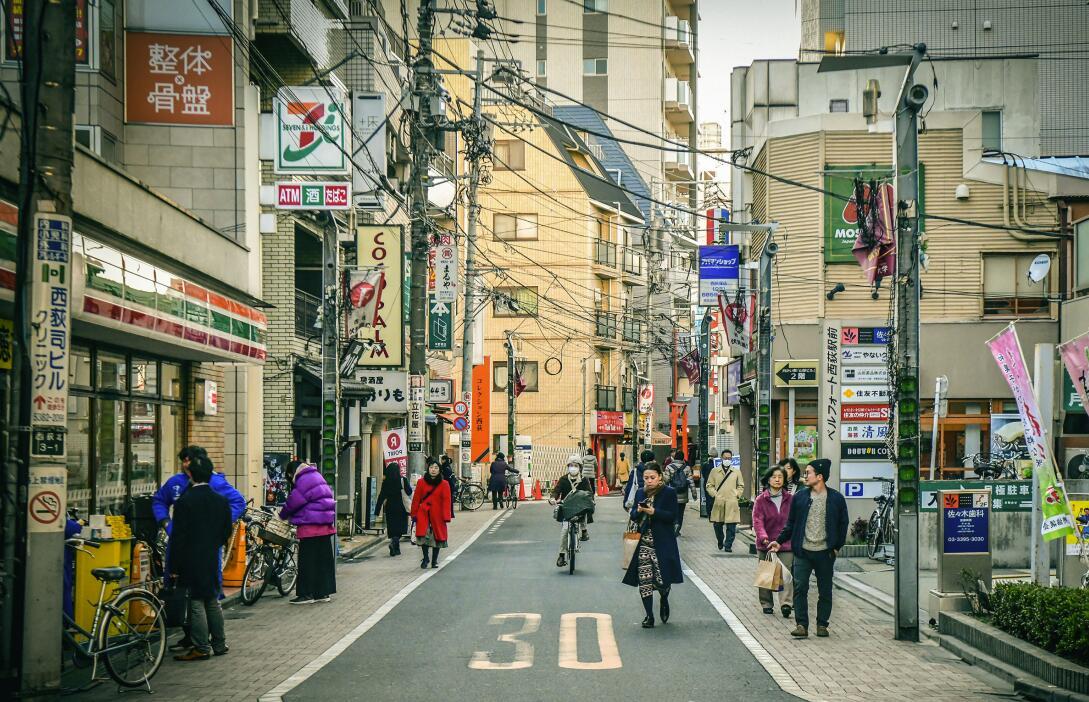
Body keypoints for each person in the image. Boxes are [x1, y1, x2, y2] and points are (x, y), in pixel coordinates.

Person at [154, 445, 244, 653]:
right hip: (194, 546)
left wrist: (212, 530)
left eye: (190, 460)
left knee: (197, 598)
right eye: (184, 460)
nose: (186, 464)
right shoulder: (176, 483)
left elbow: (237, 502)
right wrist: (166, 522)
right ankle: (202, 639)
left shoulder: (215, 485)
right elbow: (159, 500)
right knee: (204, 597)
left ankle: (201, 644)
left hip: (196, 550)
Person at [768, 458, 849, 639]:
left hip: (825, 552)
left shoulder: (836, 498)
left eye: (809, 472)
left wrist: (836, 547)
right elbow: (791, 524)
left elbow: (843, 524)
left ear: (819, 477)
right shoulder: (800, 497)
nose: (805, 476)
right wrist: (779, 541)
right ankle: (801, 625)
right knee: (800, 588)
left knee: (825, 590)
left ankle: (822, 624)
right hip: (803, 551)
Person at [169, 455, 232, 661]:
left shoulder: (185, 502)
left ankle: (201, 647)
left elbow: (179, 537)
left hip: (191, 557)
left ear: (190, 475)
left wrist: (174, 566)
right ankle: (220, 644)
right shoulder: (220, 501)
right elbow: (226, 531)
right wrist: (214, 544)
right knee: (212, 599)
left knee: (196, 602)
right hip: (211, 555)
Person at [623, 463, 683, 628]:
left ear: (660, 477)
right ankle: (649, 616)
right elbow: (634, 515)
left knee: (663, 579)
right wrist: (640, 511)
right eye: (646, 478)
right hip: (643, 542)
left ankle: (664, 596)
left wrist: (654, 512)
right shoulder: (641, 492)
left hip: (662, 541)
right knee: (644, 579)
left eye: (652, 478)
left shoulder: (668, 492)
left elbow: (673, 516)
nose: (649, 481)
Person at [280, 461, 337, 604]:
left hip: (311, 526)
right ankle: (323, 593)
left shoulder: (304, 479)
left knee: (307, 561)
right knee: (322, 561)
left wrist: (282, 515)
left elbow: (294, 501)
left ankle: (306, 594)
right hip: (325, 525)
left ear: (291, 473)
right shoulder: (316, 475)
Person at [753, 466, 794, 617]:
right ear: (768, 480)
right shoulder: (761, 500)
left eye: (780, 477)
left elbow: (793, 521)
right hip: (766, 543)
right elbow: (758, 521)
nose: (777, 479)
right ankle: (767, 604)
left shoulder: (791, 499)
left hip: (786, 543)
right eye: (774, 477)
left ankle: (786, 604)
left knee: (786, 573)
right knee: (766, 574)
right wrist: (764, 539)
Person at [550, 457, 595, 567]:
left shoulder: (584, 480)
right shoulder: (563, 479)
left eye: (576, 465)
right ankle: (561, 556)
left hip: (579, 507)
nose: (573, 468)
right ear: (568, 467)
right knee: (565, 530)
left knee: (586, 508)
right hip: (566, 508)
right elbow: (556, 491)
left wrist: (591, 500)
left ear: (580, 467)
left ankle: (584, 530)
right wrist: (552, 498)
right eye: (571, 465)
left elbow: (589, 493)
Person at [411, 459, 453, 568]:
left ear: (439, 470)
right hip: (424, 514)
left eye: (436, 468)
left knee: (437, 538)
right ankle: (425, 558)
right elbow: (416, 499)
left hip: (438, 515)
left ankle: (434, 561)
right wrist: (414, 514)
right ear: (428, 469)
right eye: (431, 467)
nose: (433, 470)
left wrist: (446, 516)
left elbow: (447, 501)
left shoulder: (444, 484)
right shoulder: (421, 482)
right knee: (424, 537)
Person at [706, 449, 744, 552]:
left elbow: (741, 485)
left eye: (729, 458)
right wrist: (715, 494)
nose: (727, 460)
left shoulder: (736, 472)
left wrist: (737, 494)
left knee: (731, 526)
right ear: (721, 458)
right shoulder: (715, 471)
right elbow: (709, 485)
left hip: (732, 502)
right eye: (725, 458)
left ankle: (728, 545)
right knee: (717, 525)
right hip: (719, 501)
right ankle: (720, 540)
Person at [373, 463, 412, 556]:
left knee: (392, 527)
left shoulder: (386, 482)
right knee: (400, 528)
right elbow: (409, 491)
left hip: (390, 508)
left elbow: (381, 496)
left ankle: (396, 548)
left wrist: (377, 510)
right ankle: (394, 543)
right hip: (401, 508)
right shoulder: (403, 479)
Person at [664, 455, 692, 536]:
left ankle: (674, 525)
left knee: (672, 511)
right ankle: (678, 528)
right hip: (683, 494)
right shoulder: (687, 468)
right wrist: (694, 493)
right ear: (683, 458)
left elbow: (666, 480)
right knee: (681, 512)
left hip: (672, 494)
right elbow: (691, 481)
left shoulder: (669, 467)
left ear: (674, 458)